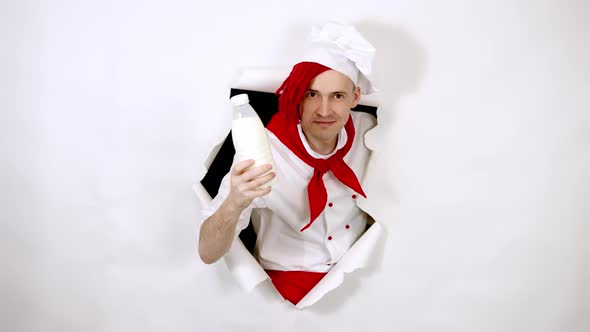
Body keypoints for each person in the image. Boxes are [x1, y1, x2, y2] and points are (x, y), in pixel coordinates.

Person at [198, 22, 378, 305]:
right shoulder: (262, 152)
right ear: (297, 95)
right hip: (284, 291)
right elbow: (208, 252)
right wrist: (234, 202)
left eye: (338, 96)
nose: (324, 110)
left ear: (355, 98)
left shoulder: (372, 134)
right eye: (312, 94)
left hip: (361, 280)